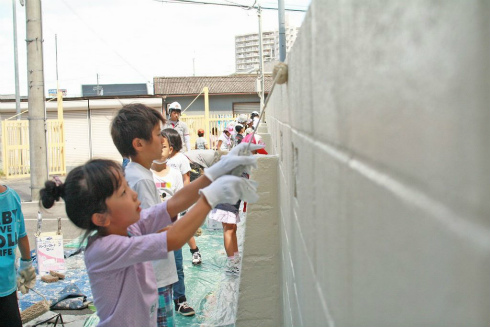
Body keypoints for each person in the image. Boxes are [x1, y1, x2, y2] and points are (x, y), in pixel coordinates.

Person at [39, 157, 259, 327]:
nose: (134, 195)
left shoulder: (130, 225)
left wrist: (218, 170)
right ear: (101, 217)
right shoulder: (104, 248)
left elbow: (172, 205)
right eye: (124, 192)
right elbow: (173, 239)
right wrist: (211, 197)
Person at [112, 103, 180, 324]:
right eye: (158, 134)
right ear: (139, 143)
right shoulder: (140, 178)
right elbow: (153, 228)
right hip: (155, 275)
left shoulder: (138, 172)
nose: (163, 140)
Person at [164, 129, 202, 267]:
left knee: (182, 229)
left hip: (178, 200)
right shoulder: (164, 159)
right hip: (166, 200)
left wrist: (183, 198)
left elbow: (186, 179)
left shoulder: (181, 159)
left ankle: (195, 251)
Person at [0, 184, 35, 327]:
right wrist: (26, 263)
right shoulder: (11, 196)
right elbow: (21, 235)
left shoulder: (12, 197)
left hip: (7, 286)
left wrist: (26, 264)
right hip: (7, 285)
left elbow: (21, 235)